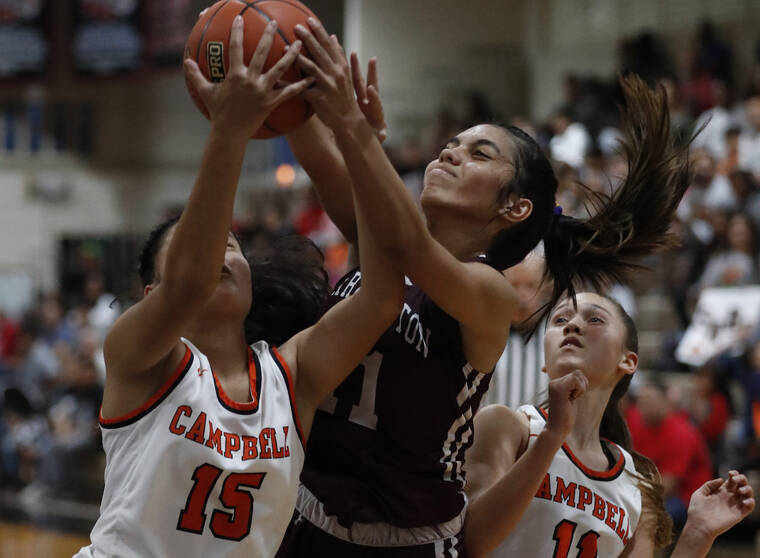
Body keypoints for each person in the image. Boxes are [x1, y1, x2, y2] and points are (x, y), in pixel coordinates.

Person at [275, 19, 693, 557]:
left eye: (479, 154)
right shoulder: (376, 243)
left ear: (513, 208)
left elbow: (408, 242)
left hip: (406, 541)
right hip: (309, 512)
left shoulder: (488, 292)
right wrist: (283, 85)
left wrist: (357, 129)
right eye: (450, 145)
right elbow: (315, 153)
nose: (449, 153)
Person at [75, 18, 403, 558]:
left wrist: (359, 141)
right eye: (200, 246)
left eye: (232, 245)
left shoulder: (290, 377)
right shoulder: (137, 359)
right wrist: (229, 131)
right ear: (152, 291)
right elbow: (188, 285)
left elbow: (384, 293)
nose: (222, 252)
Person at [465, 292, 755, 558]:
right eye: (560, 319)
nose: (572, 326)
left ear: (628, 361)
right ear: (545, 359)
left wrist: (697, 534)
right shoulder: (505, 426)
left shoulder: (636, 483)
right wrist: (553, 435)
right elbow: (473, 541)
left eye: (594, 319)